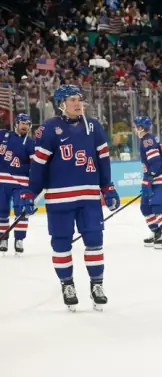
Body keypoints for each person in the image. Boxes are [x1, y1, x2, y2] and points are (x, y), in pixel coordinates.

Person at [24, 85, 121, 311]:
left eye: (80, 99)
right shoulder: (48, 129)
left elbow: (103, 160)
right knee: (61, 244)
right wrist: (30, 192)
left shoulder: (94, 126)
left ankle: (97, 285)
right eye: (72, 100)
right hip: (59, 199)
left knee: (95, 242)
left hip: (89, 197)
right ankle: (67, 284)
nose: (78, 103)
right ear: (61, 104)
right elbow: (39, 166)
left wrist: (107, 187)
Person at [134, 115, 162, 250]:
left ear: (141, 128)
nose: (134, 129)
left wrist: (149, 178)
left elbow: (156, 162)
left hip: (160, 177)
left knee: (157, 205)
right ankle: (157, 232)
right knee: (145, 207)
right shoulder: (145, 140)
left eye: (136, 127)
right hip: (151, 177)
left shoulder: (148, 141)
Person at [0, 114, 34, 255]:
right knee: (1, 211)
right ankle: (3, 238)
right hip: (2, 180)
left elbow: (36, 165)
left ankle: (19, 239)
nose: (25, 126)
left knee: (21, 211)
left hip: (21, 183)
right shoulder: (3, 135)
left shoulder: (31, 143)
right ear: (16, 123)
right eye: (23, 123)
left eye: (28, 124)